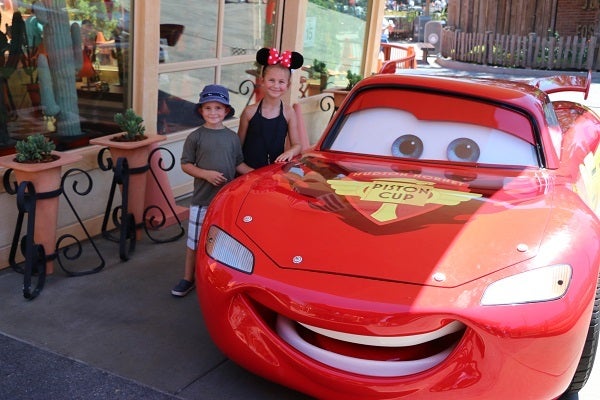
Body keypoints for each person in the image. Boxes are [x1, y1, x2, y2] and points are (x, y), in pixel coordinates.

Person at [171, 84, 253, 297]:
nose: (213, 112)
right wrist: (205, 174)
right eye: (208, 108)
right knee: (195, 241)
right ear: (201, 110)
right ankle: (188, 278)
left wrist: (257, 176)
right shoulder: (195, 137)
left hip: (225, 202)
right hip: (202, 200)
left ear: (226, 111)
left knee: (222, 243)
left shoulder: (232, 138)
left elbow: (238, 165)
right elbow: (186, 164)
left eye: (218, 108)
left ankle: (217, 278)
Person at [237, 47, 304, 169]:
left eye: (281, 82)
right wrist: (248, 172)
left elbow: (297, 145)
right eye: (271, 80)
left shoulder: (289, 112)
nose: (276, 86)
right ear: (262, 81)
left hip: (273, 175)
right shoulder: (249, 112)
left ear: (288, 85)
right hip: (247, 174)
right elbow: (236, 150)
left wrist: (290, 152)